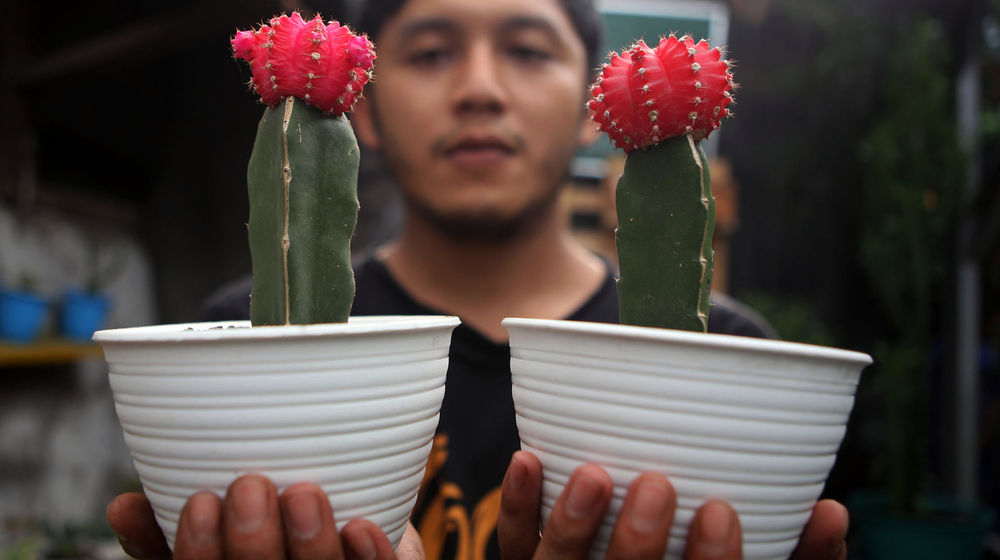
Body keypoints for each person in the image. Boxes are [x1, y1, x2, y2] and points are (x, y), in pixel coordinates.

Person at [106, 0, 850, 558]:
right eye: (431, 54)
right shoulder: (242, 334)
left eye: (527, 51)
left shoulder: (732, 351)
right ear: (361, 105)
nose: (480, 90)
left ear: (596, 103)